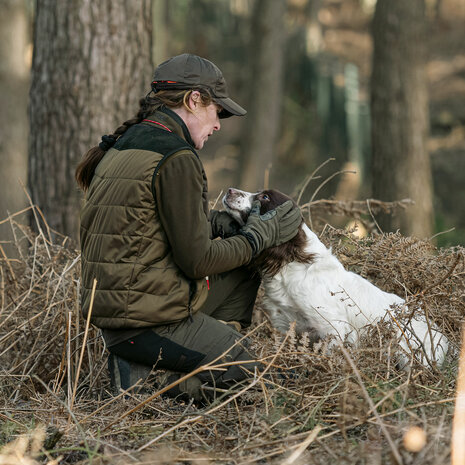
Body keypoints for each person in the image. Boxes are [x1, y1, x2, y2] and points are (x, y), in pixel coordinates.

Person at [75, 53, 301, 402]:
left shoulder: (125, 145)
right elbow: (197, 261)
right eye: (217, 111)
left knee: (244, 265)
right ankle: (155, 386)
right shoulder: (176, 157)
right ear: (194, 100)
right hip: (149, 323)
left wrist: (213, 224)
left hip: (121, 318)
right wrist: (260, 235)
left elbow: (140, 225)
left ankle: (194, 352)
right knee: (266, 379)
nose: (218, 124)